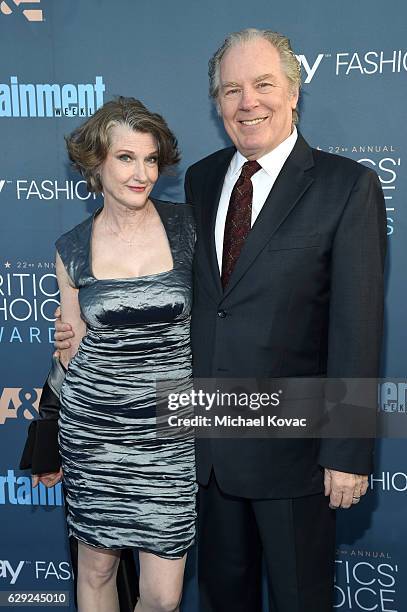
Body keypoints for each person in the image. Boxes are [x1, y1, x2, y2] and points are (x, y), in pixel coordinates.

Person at [55, 29, 387, 612]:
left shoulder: (346, 185)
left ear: (293, 93)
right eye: (231, 89)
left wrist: (348, 450)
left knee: (300, 600)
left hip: (295, 453)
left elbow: (359, 326)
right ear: (216, 103)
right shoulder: (204, 181)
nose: (247, 102)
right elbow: (140, 279)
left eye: (263, 85)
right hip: (203, 454)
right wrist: (77, 326)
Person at [22, 96, 196, 612]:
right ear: (96, 162)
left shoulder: (187, 227)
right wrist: (46, 433)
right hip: (94, 430)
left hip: (170, 431)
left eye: (150, 159)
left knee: (162, 598)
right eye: (126, 157)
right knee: (97, 570)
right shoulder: (72, 246)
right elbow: (69, 349)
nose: (141, 172)